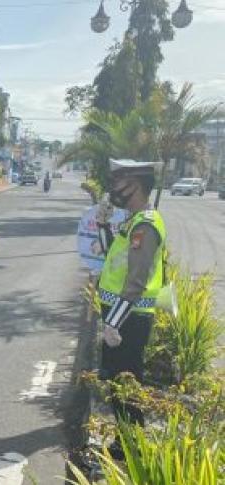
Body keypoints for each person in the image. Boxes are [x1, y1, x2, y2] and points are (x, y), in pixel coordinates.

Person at [96, 159, 166, 429]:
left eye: (118, 183)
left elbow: (135, 282)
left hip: (129, 318)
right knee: (116, 378)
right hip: (121, 313)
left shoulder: (145, 226)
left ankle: (132, 442)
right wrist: (103, 226)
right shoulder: (134, 221)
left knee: (126, 380)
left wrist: (113, 322)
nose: (114, 189)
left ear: (133, 185)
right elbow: (114, 259)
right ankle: (123, 437)